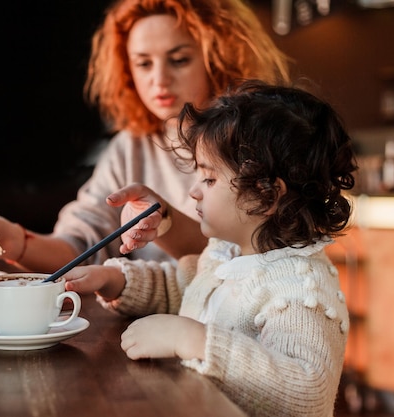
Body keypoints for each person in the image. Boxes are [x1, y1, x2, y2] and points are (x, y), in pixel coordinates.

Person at [63, 79, 358, 417]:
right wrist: (115, 280)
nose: (194, 192)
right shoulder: (227, 252)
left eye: (209, 179)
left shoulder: (299, 288)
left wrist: (195, 341)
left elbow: (307, 392)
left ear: (267, 195)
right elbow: (186, 288)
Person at [0, 0, 291, 272]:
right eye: (143, 63)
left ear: (217, 58)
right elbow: (81, 243)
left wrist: (162, 219)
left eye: (178, 60)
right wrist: (16, 243)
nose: (159, 80)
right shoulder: (131, 147)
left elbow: (248, 254)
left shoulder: (255, 142)